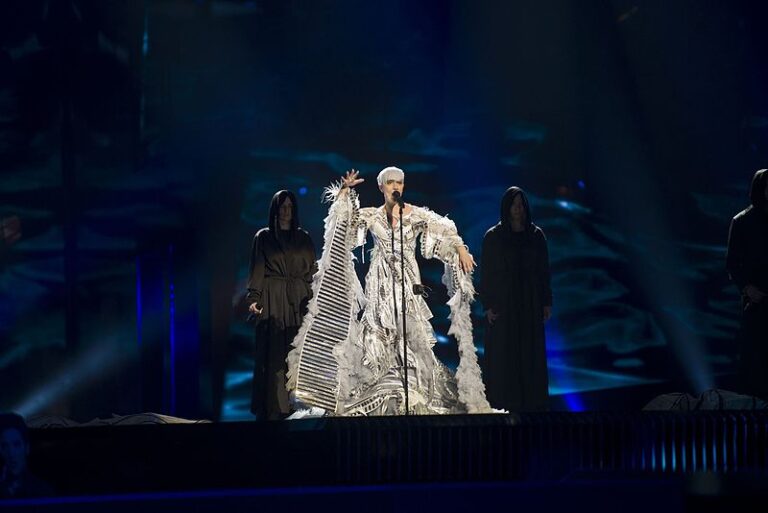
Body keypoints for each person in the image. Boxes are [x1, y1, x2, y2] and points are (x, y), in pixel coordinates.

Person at [286, 167, 491, 416]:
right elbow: (345, 223)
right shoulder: (372, 216)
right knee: (376, 338)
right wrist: (345, 192)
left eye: (400, 182)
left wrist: (460, 250)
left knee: (410, 340)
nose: (396, 186)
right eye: (390, 182)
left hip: (407, 288)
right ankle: (380, 392)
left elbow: (444, 228)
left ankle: (413, 393)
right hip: (380, 289)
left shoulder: (415, 215)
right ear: (381, 187)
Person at [480, 187, 552, 411]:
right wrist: (488, 305)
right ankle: (503, 404)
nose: (518, 209)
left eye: (521, 204)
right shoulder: (494, 237)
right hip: (504, 304)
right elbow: (487, 273)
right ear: (507, 207)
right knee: (505, 354)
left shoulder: (536, 235)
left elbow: (543, 270)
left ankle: (533, 405)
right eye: (514, 204)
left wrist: (546, 301)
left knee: (530, 353)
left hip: (530, 302)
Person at [247, 190, 316, 420]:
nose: (286, 211)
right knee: (274, 356)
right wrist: (254, 299)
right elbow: (257, 270)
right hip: (273, 299)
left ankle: (299, 406)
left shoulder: (304, 238)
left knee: (297, 354)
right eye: (282, 206)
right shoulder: (264, 237)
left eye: (289, 206)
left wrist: (316, 301)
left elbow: (313, 273)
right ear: (275, 209)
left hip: (299, 300)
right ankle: (275, 408)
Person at [726, 169, 768, 399]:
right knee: (756, 358)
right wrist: (748, 288)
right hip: (757, 302)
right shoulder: (742, 221)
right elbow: (732, 264)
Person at [0, 413, 53, 498]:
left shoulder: (42, 491)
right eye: (5, 446)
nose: (11, 453)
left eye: (16, 445)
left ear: (26, 447)